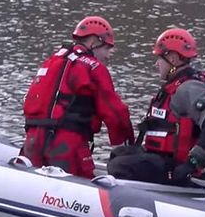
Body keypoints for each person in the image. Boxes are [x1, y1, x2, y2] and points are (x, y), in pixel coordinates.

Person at [107, 28, 205, 186]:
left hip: (179, 169)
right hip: (165, 159)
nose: (156, 63)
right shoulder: (179, 84)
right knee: (118, 155)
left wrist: (191, 164)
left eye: (159, 58)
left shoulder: (189, 88)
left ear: (173, 58)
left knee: (120, 166)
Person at [22, 16, 135, 178]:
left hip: (32, 144)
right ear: (94, 42)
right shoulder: (94, 68)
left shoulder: (52, 61)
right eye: (107, 49)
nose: (108, 56)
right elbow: (116, 115)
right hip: (67, 147)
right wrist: (125, 151)